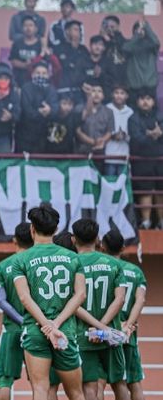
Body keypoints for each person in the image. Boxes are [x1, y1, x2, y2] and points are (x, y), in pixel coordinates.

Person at [11, 205, 86, 400]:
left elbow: (24, 298)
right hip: (65, 331)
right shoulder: (73, 258)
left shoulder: (21, 259)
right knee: (77, 394)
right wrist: (56, 324)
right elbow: (80, 295)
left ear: (32, 229)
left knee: (40, 390)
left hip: (36, 331)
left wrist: (47, 325)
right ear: (56, 230)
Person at [70, 219, 128, 400]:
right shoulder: (115, 264)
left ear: (73, 239)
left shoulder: (71, 263)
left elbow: (73, 303)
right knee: (120, 384)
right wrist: (103, 327)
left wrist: (96, 328)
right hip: (111, 333)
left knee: (90, 387)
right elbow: (120, 299)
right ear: (97, 239)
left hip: (83, 335)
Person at [101, 230, 147, 400]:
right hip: (127, 333)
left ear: (103, 247)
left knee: (101, 381)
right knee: (133, 381)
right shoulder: (136, 272)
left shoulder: (103, 267)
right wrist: (128, 324)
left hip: (105, 328)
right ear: (123, 248)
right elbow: (140, 300)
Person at [0, 223, 34, 400]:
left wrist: (20, 320)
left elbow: (0, 300)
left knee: (5, 381)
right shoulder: (36, 264)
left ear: (14, 240)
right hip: (37, 329)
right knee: (41, 384)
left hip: (11, 330)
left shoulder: (2, 266)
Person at [127, 91, 163, 229]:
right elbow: (136, 138)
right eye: (142, 98)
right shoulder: (133, 118)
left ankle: (161, 222)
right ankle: (146, 222)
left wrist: (156, 134)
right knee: (145, 191)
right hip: (141, 160)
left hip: (160, 160)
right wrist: (154, 135)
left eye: (148, 98)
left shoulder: (160, 115)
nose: (145, 101)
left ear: (153, 101)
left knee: (161, 191)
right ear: (137, 102)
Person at [15, 62, 58, 153]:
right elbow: (27, 111)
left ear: (48, 75)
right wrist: (40, 113)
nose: (41, 76)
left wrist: (49, 111)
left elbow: (55, 109)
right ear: (32, 74)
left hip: (45, 136)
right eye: (38, 73)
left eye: (44, 73)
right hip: (25, 135)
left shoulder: (52, 89)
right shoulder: (26, 88)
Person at [122, 19, 160, 101]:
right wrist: (137, 35)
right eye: (138, 30)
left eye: (143, 30)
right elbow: (125, 49)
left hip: (150, 85)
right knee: (134, 110)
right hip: (134, 86)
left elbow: (156, 42)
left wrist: (146, 26)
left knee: (151, 111)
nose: (141, 31)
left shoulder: (151, 46)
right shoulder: (130, 44)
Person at [76, 84, 114, 159]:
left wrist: (101, 141)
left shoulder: (108, 111)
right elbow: (77, 131)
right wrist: (93, 142)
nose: (96, 94)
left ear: (103, 96)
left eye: (99, 91)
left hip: (101, 152)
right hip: (82, 152)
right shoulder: (79, 108)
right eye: (93, 91)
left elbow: (109, 131)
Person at [105, 85, 133, 176]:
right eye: (116, 93)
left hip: (124, 154)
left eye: (122, 93)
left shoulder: (130, 112)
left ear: (127, 96)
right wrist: (113, 136)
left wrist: (125, 135)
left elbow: (133, 133)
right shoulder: (106, 109)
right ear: (112, 95)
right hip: (108, 154)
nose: (119, 96)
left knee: (123, 185)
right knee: (109, 184)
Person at [53, 20, 89, 91]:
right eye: (75, 29)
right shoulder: (58, 49)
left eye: (79, 30)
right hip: (63, 89)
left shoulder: (83, 49)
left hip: (80, 89)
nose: (78, 32)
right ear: (67, 31)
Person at [9, 16, 43, 88]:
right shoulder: (17, 43)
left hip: (36, 80)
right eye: (25, 25)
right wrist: (26, 65)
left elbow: (43, 62)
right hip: (18, 79)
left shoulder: (40, 44)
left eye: (31, 25)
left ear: (36, 29)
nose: (28, 28)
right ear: (22, 29)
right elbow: (13, 61)